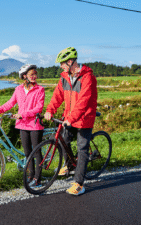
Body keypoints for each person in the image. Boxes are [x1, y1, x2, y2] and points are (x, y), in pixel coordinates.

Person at [44, 47, 97, 195]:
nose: (60, 66)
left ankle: (79, 184)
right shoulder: (65, 77)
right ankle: (69, 165)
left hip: (84, 119)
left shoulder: (87, 77)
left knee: (82, 148)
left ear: (70, 61)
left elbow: (84, 101)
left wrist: (71, 118)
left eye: (62, 63)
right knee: (63, 141)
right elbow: (57, 95)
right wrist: (50, 110)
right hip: (69, 118)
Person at [0, 64, 45, 187]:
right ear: (24, 76)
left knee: (36, 153)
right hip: (22, 125)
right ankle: (31, 176)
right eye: (32, 74)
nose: (34, 76)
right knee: (27, 153)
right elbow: (9, 103)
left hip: (35, 124)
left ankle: (38, 179)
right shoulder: (18, 90)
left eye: (35, 74)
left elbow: (39, 108)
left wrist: (23, 114)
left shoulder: (40, 90)